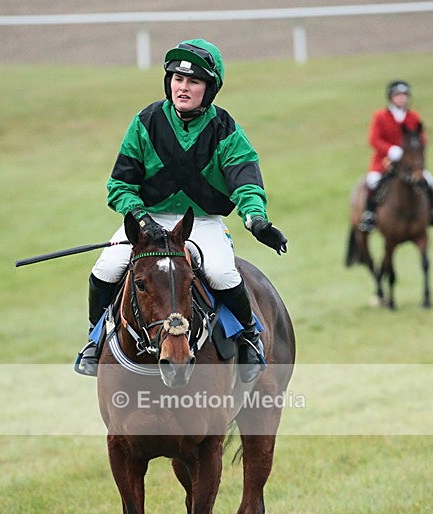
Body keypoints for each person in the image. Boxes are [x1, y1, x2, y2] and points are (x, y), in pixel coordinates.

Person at [75, 38, 287, 381]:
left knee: (221, 272)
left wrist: (256, 219)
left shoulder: (226, 130)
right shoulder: (146, 122)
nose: (183, 87)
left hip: (200, 223)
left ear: (210, 88)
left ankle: (249, 338)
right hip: (148, 221)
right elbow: (120, 186)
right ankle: (94, 339)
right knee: (106, 267)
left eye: (194, 81)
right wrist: (142, 218)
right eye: (177, 79)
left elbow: (246, 182)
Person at [358, 80, 433, 233]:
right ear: (391, 97)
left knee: (429, 180)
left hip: (408, 165)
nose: (402, 99)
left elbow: (421, 139)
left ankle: (432, 213)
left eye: (404, 95)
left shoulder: (413, 117)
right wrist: (390, 149)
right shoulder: (380, 116)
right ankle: (369, 215)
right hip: (385, 162)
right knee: (373, 182)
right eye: (398, 95)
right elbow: (374, 139)